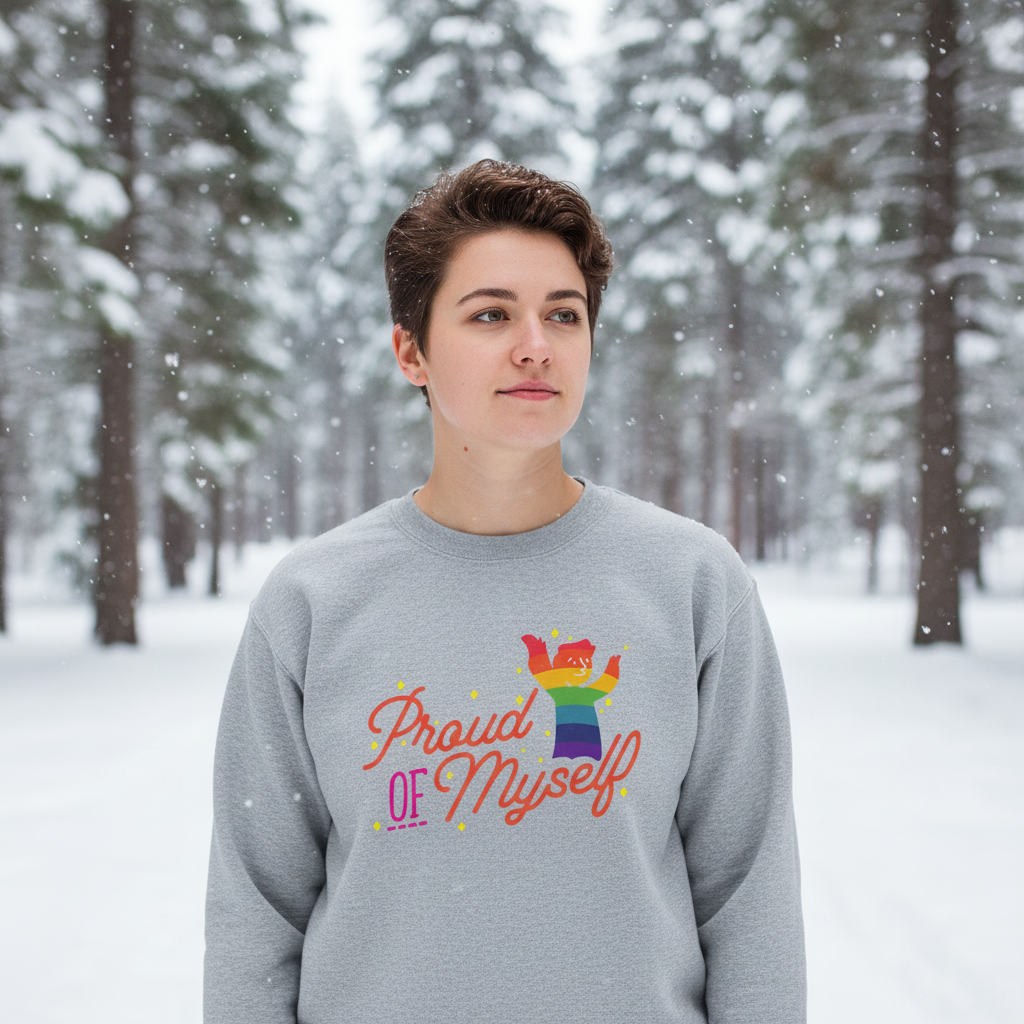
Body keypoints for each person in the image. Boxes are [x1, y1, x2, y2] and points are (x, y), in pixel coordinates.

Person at [204, 160, 806, 1023]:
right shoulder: (313, 601)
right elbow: (253, 916)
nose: (536, 344)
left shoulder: (692, 583)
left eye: (563, 314)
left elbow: (750, 899)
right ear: (411, 350)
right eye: (491, 314)